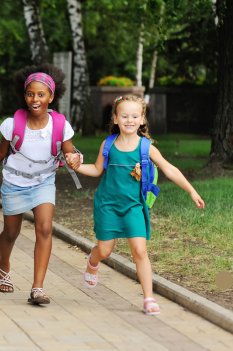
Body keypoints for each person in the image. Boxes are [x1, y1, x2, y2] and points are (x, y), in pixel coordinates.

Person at [68, 94, 205, 316]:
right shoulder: (109, 144)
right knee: (104, 250)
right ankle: (93, 263)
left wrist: (192, 191)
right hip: (107, 205)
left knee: (139, 251)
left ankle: (148, 298)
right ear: (115, 118)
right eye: (124, 116)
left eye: (134, 116)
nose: (129, 120)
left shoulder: (146, 147)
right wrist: (76, 166)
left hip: (133, 206)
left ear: (142, 119)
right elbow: (96, 170)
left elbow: (170, 169)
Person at [0, 64, 81, 303]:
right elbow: (0, 152)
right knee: (11, 233)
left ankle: (38, 287)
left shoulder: (60, 125)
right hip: (14, 182)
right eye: (30, 94)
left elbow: (69, 152)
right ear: (24, 96)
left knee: (44, 229)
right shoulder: (13, 123)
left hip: (43, 182)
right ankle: (3, 266)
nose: (35, 99)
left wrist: (74, 158)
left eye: (41, 94)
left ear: (51, 97)